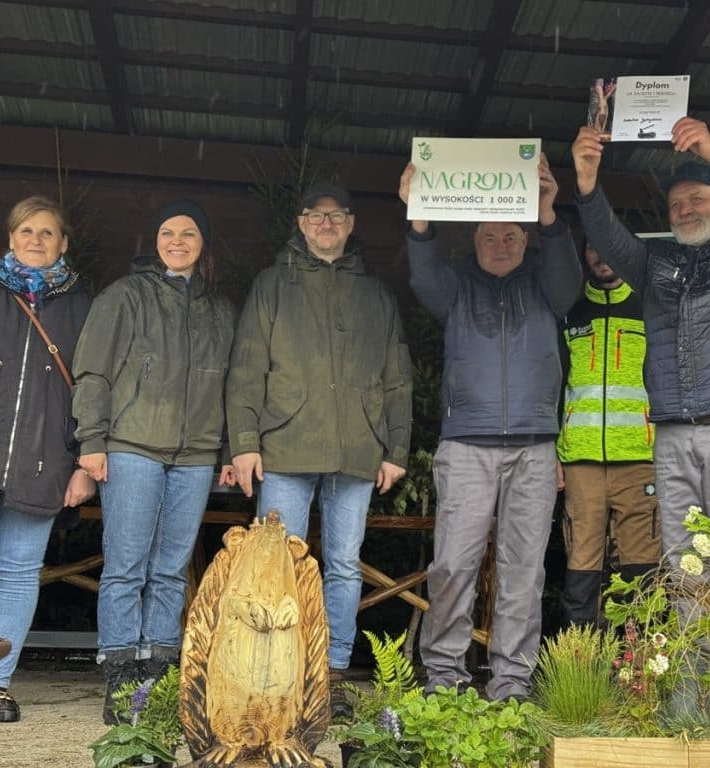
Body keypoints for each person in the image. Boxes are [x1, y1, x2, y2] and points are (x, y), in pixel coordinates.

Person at [570, 117, 710, 584]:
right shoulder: (655, 265)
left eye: (697, 199)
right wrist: (587, 182)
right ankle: (697, 662)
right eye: (676, 204)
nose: (686, 210)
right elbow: (608, 238)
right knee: (687, 569)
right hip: (672, 436)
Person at [225, 181, 412, 719]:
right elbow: (245, 370)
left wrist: (395, 448)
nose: (326, 224)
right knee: (274, 565)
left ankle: (327, 676)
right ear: (301, 224)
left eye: (336, 216)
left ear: (351, 224)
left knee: (344, 566)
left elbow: (398, 379)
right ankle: (271, 673)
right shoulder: (271, 285)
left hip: (358, 450)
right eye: (315, 216)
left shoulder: (376, 295)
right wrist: (244, 443)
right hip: (284, 448)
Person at [400, 153, 581, 701]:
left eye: (511, 236)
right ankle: (445, 678)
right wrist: (419, 216)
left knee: (523, 571)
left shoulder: (548, 288)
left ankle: (512, 683)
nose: (500, 244)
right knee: (453, 564)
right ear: (473, 238)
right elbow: (423, 274)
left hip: (534, 447)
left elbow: (570, 279)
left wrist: (549, 211)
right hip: (467, 445)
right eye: (489, 236)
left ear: (526, 240)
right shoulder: (455, 288)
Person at [71, 200, 236, 723]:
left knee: (169, 571)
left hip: (196, 455)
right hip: (132, 445)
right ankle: (122, 681)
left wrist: (228, 452)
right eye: (168, 232)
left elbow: (236, 385)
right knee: (126, 566)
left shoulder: (222, 309)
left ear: (204, 243)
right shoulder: (125, 296)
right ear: (156, 240)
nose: (178, 240)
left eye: (189, 232)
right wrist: (91, 440)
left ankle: (158, 677)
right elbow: (93, 371)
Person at [0, 196, 95, 722]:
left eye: (48, 232)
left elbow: (95, 392)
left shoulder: (82, 307)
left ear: (64, 242)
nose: (37, 239)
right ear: (11, 238)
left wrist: (82, 464)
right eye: (27, 231)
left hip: (43, 463)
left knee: (18, 573)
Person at [558, 242, 659, 627]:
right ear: (584, 254)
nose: (602, 256)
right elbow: (556, 385)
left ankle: (636, 671)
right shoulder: (569, 310)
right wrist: (556, 452)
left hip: (639, 458)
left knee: (641, 571)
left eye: (609, 247)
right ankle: (579, 669)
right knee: (581, 568)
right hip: (580, 460)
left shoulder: (649, 307)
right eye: (592, 249)